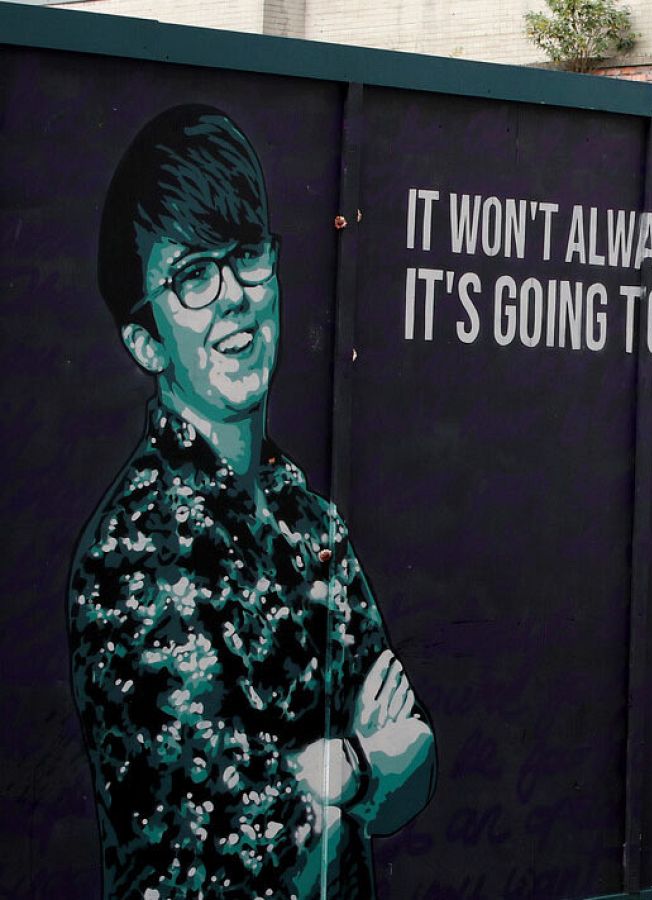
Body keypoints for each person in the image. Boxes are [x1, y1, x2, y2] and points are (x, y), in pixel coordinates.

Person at [68, 104, 436, 898]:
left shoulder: (308, 516)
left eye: (245, 255)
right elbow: (253, 869)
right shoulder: (136, 557)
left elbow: (415, 763)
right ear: (144, 341)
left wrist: (345, 768)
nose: (234, 295)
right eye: (193, 276)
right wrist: (359, 773)